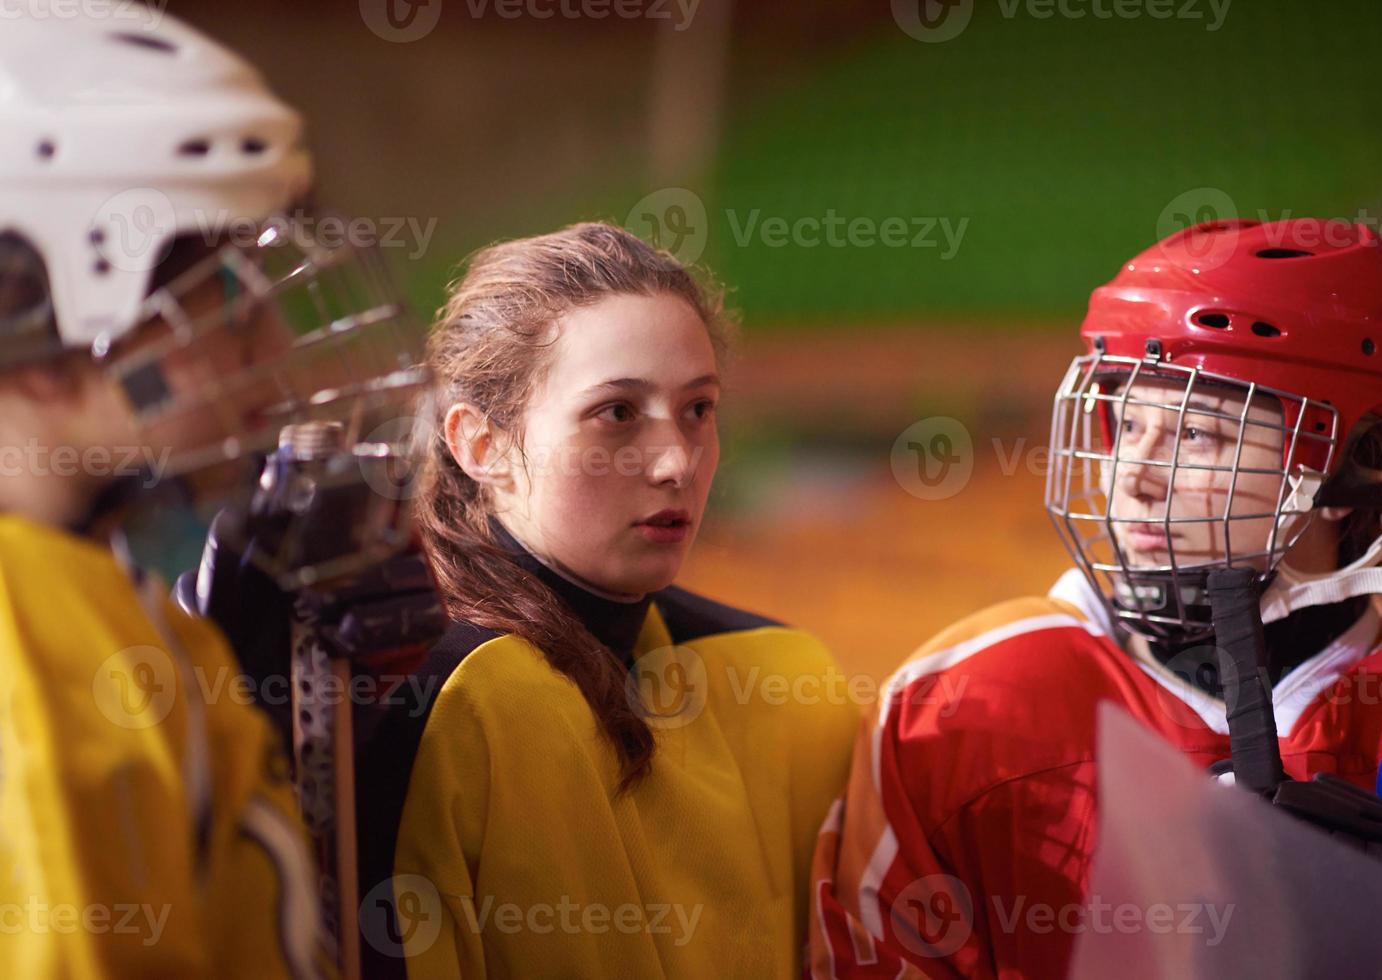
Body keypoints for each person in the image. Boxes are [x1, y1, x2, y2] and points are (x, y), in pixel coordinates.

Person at [808, 218, 1382, 979]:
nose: (1133, 474)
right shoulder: (957, 701)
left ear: (1359, 458)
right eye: (1124, 422)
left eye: (1196, 435)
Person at [0, 4, 421, 976]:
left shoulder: (107, 606)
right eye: (228, 313)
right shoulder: (34, 641)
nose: (277, 361)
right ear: (34, 333)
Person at [355, 222, 860, 978]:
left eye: (698, 409)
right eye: (617, 413)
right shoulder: (431, 697)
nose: (676, 462)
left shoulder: (782, 677)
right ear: (480, 445)